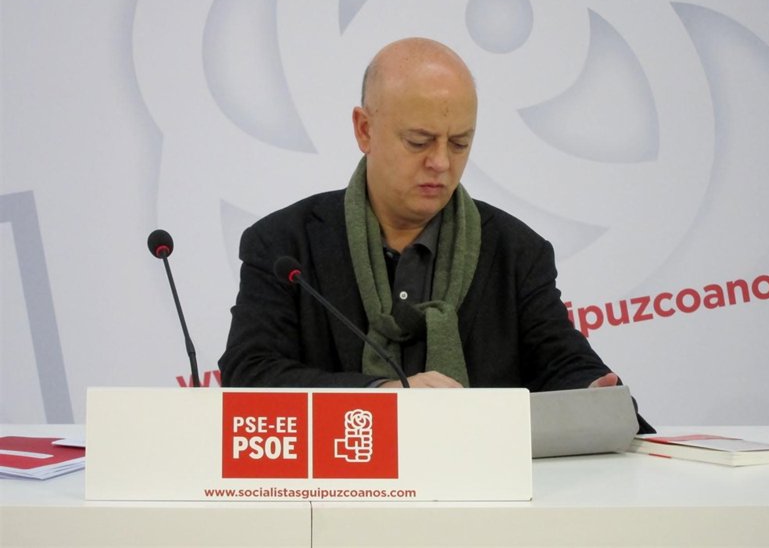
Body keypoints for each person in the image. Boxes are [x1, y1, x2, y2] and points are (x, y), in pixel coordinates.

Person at [219, 37, 653, 432]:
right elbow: (250, 373)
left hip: (482, 486)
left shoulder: (517, 252)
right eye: (419, 141)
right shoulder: (284, 245)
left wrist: (592, 391)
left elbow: (561, 362)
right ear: (364, 129)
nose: (441, 162)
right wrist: (380, 395)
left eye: (460, 143)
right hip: (339, 481)